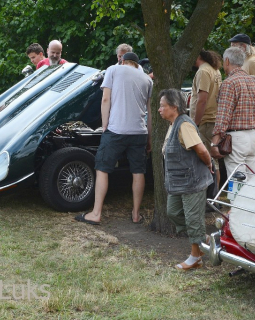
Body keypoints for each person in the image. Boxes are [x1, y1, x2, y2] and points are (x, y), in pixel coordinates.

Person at [74, 52, 153, 225]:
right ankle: (136, 214)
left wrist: (105, 125)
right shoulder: (147, 79)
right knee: (138, 172)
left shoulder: (113, 70)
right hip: (139, 132)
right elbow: (150, 112)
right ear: (137, 64)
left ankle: (96, 213)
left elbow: (105, 99)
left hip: (116, 130)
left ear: (123, 61)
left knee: (102, 168)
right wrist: (150, 137)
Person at [159, 88, 213, 271]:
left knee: (192, 219)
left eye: (162, 106)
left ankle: (195, 257)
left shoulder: (184, 125)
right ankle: (203, 239)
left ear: (174, 107)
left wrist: (209, 164)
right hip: (179, 183)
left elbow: (202, 151)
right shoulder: (173, 124)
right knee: (172, 212)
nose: (159, 109)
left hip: (193, 182)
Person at [211, 47, 255, 176]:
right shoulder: (253, 83)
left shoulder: (229, 83)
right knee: (251, 182)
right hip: (252, 136)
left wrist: (214, 142)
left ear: (227, 61)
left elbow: (223, 116)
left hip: (236, 138)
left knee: (237, 182)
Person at [229, 33, 255, 172]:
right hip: (246, 117)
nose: (231, 49)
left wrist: (254, 97)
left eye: (234, 46)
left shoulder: (251, 61)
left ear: (243, 46)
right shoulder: (244, 61)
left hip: (250, 115)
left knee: (254, 157)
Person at [190, 49, 222, 187]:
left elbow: (202, 100)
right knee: (213, 161)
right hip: (212, 118)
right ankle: (213, 196)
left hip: (206, 121)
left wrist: (195, 123)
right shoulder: (214, 70)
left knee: (207, 159)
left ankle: (211, 196)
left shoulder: (203, 71)